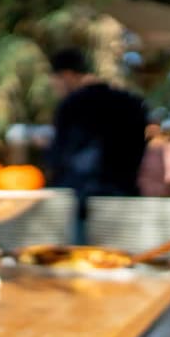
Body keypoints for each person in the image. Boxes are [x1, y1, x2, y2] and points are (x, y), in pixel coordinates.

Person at [47, 48, 149, 243]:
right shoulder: (132, 102)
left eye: (56, 83)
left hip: (79, 200)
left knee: (79, 262)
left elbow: (61, 155)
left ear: (67, 75)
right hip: (123, 197)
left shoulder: (72, 104)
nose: (57, 90)